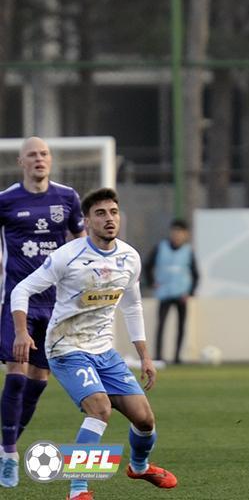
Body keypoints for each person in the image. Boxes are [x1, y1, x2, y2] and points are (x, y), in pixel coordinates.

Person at [11, 187, 177, 499]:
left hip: (104, 351)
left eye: (113, 212)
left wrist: (144, 355)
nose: (109, 219)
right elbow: (21, 290)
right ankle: (78, 489)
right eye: (100, 213)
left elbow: (132, 306)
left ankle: (139, 467)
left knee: (144, 419)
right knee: (100, 409)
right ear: (86, 221)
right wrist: (21, 331)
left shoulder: (129, 257)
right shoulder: (67, 256)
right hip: (66, 348)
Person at [0, 137, 85, 488]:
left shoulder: (68, 197)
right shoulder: (6, 200)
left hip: (56, 304)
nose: (39, 159)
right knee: (16, 371)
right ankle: (9, 455)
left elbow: (81, 241)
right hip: (17, 300)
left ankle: (5, 445)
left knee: (39, 381)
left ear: (50, 160)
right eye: (32, 154)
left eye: (44, 154)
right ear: (21, 161)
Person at [145, 218, 199, 365]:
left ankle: (177, 357)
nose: (177, 235)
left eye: (180, 232)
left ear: (185, 234)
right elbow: (147, 265)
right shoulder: (160, 248)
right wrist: (151, 282)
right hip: (164, 294)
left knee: (181, 326)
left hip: (181, 295)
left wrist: (190, 292)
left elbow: (196, 274)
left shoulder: (188, 251)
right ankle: (158, 356)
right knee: (161, 325)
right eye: (175, 232)